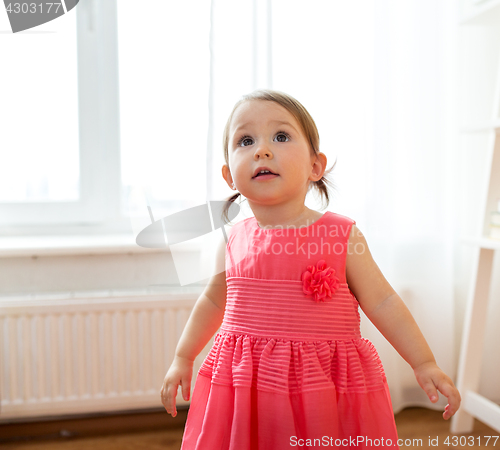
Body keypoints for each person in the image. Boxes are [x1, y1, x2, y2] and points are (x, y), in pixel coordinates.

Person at [160, 89, 461, 449]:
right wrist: (183, 356)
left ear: (315, 166)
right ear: (229, 175)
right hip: (245, 386)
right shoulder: (232, 240)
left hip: (319, 387)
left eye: (281, 136)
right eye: (246, 140)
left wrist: (424, 362)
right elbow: (212, 302)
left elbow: (382, 302)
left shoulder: (341, 235)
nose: (263, 150)